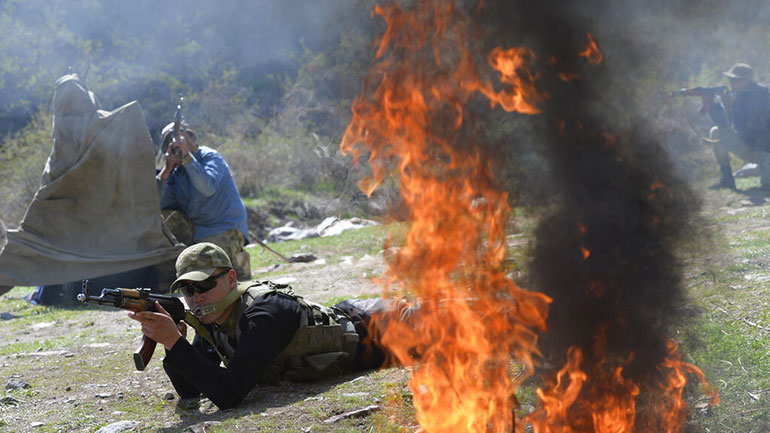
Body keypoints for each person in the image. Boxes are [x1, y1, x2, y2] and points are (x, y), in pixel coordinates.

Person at [128, 242, 398, 409]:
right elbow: (192, 389)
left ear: (231, 279)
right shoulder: (212, 319)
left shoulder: (265, 312)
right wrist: (173, 343)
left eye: (205, 285)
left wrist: (174, 342)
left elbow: (229, 393)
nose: (197, 297)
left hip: (378, 325)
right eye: (188, 290)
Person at [157, 121, 252, 279]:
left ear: (192, 140)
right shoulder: (175, 173)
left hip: (223, 226)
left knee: (211, 272)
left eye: (180, 140)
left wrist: (187, 158)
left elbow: (208, 187)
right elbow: (158, 204)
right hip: (197, 229)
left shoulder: (209, 157)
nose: (176, 146)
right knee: (164, 219)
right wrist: (166, 171)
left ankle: (239, 260)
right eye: (171, 144)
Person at [704, 63, 770, 189]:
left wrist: (736, 104)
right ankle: (727, 178)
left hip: (766, 151)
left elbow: (758, 123)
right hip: (749, 148)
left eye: (736, 80)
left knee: (767, 186)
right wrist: (713, 105)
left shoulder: (762, 95)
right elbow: (723, 124)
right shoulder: (737, 96)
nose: (732, 83)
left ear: (747, 81)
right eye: (730, 79)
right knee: (716, 132)